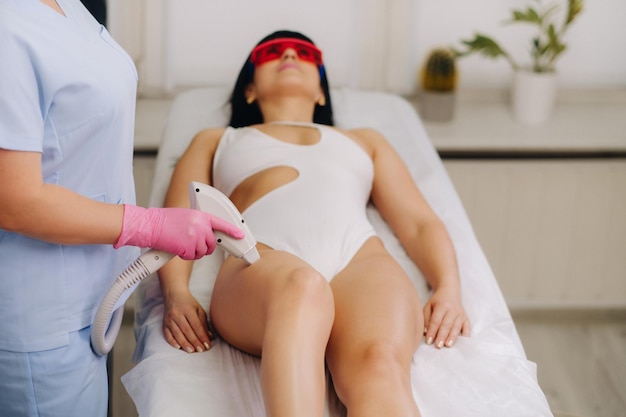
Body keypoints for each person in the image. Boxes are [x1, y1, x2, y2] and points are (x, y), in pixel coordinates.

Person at [158, 30, 471, 417]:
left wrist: (449, 288)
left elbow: (420, 222)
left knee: (379, 363)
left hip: (359, 259)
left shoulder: (364, 141)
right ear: (250, 90)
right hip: (261, 258)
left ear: (321, 91)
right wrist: (177, 293)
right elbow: (176, 222)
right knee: (302, 288)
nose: (290, 53)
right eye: (272, 51)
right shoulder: (218, 140)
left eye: (306, 53)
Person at [0, 1, 244, 417]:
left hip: (90, 301)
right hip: (40, 318)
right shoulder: (9, 27)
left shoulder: (67, 6)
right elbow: (14, 200)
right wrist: (148, 226)